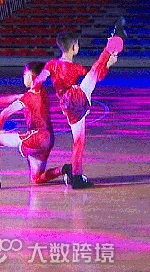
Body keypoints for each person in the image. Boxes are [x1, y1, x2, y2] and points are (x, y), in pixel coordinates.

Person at [44, 20, 124, 189]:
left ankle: (77, 176)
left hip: (68, 108)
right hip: (76, 99)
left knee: (78, 141)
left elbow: (41, 78)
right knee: (94, 71)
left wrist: (108, 64)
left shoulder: (52, 64)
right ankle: (111, 44)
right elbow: (95, 74)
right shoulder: (76, 67)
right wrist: (107, 63)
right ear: (74, 47)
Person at [0, 63, 69, 190]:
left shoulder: (29, 97)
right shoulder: (42, 93)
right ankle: (64, 169)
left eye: (25, 75)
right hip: (48, 140)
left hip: (36, 138)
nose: (23, 78)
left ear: (30, 76)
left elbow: (4, 114)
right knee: (37, 178)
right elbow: (15, 98)